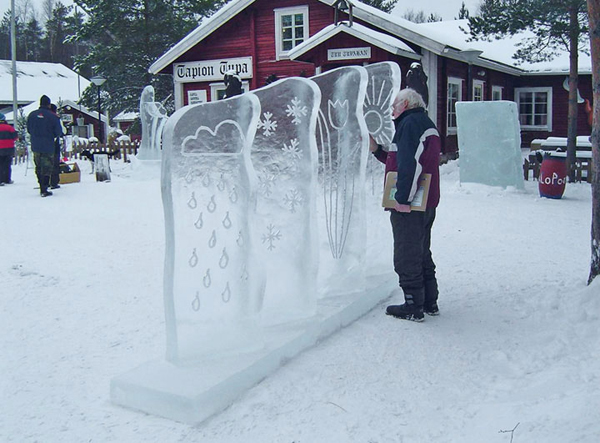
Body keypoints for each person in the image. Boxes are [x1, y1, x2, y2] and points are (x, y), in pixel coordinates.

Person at [370, 88, 441, 322]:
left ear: (407, 104)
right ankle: (429, 301)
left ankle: (412, 306)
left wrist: (402, 200)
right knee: (421, 251)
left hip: (411, 205)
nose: (392, 110)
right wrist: (378, 150)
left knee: (406, 254)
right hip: (425, 202)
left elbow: (410, 166)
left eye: (394, 105)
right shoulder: (422, 123)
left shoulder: (410, 124)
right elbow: (400, 161)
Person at [27, 95, 63, 197]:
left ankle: (41, 184)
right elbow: (58, 132)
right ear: (48, 104)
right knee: (47, 168)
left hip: (36, 145)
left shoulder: (32, 115)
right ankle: (44, 188)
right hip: (48, 146)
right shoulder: (53, 116)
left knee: (38, 167)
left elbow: (29, 129)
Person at [49, 103, 65, 189]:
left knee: (44, 164)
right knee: (54, 163)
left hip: (41, 145)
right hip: (54, 144)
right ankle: (54, 182)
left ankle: (45, 182)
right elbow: (63, 131)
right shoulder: (56, 118)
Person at [0, 113, 18, 186]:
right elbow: (15, 137)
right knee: (7, 165)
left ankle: (0, 180)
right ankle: (7, 179)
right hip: (9, 149)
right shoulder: (9, 128)